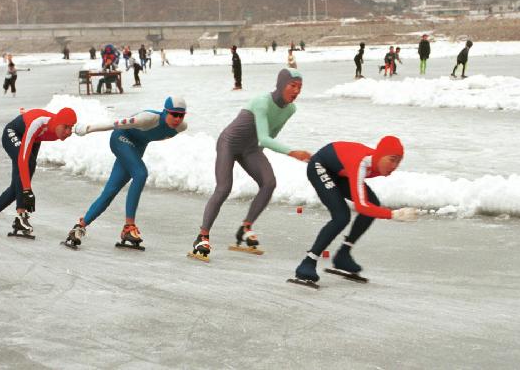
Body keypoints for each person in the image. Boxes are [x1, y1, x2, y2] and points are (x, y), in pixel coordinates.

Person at [190, 69, 311, 261]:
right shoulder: (262, 102)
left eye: (300, 87)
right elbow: (264, 137)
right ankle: (202, 236)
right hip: (229, 143)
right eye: (292, 86)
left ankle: (245, 228)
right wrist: (292, 152)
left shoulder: (290, 109)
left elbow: (269, 137)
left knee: (269, 182)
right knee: (223, 188)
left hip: (251, 148)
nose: (296, 91)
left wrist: (258, 161)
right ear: (281, 85)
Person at [65, 97, 188, 249]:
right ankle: (129, 226)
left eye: (181, 115)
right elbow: (114, 124)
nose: (177, 119)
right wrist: (88, 128)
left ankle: (79, 227)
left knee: (111, 190)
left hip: (137, 148)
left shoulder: (181, 127)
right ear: (165, 111)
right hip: (121, 138)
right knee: (141, 174)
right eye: (173, 114)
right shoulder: (147, 119)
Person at [291, 136, 416, 286]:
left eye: (398, 161)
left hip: (341, 171)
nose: (394, 166)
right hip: (320, 166)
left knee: (373, 204)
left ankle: (343, 255)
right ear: (380, 155)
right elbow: (361, 205)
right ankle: (308, 262)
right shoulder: (361, 163)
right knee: (341, 216)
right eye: (392, 159)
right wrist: (393, 214)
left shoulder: (375, 164)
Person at [0, 107, 77, 238]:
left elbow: (81, 128)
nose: (68, 132)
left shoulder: (60, 128)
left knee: (19, 183)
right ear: (58, 123)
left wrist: (26, 189)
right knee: (25, 169)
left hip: (34, 138)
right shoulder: (39, 123)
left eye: (71, 128)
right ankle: (21, 215)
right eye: (66, 127)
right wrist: (27, 190)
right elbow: (22, 159)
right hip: (14, 133)